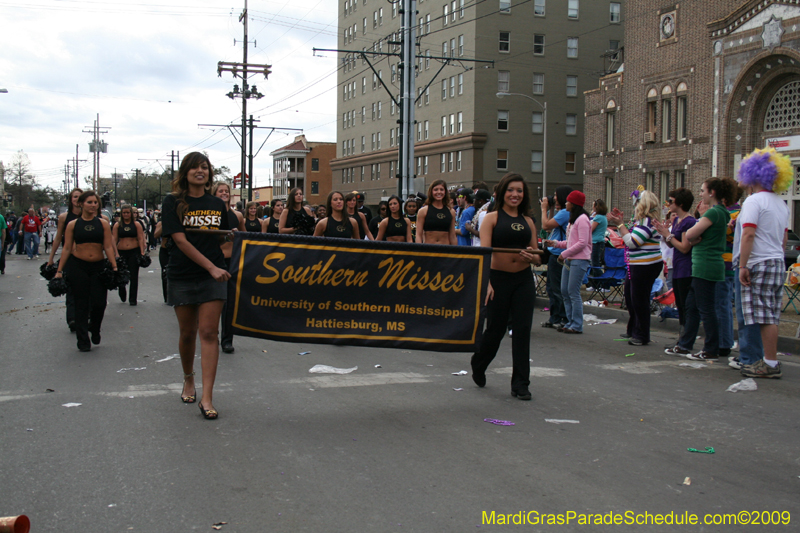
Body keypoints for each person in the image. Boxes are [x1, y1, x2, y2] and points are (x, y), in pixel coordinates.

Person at [161, 152, 232, 419]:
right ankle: (188, 378)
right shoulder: (173, 202)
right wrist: (211, 267)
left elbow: (223, 238)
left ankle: (207, 397)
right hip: (182, 274)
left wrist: (237, 246)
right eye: (194, 168)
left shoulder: (217, 203)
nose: (200, 171)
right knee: (188, 333)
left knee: (209, 333)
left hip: (213, 277)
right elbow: (180, 240)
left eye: (204, 167)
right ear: (185, 172)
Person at [470, 173, 541, 400]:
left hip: (523, 280)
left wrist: (532, 257)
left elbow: (537, 256)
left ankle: (521, 383)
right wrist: (487, 283)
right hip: (497, 280)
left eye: (519, 191)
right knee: (495, 331)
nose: (515, 194)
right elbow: (484, 254)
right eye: (511, 190)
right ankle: (479, 363)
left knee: (521, 331)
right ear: (502, 192)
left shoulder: (528, 221)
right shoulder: (490, 218)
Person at [735, 148, 793, 378]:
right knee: (770, 315)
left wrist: (743, 265)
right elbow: (784, 238)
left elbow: (748, 234)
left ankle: (765, 363)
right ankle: (770, 361)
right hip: (776, 261)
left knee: (757, 315)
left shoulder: (753, 201)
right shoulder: (781, 203)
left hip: (757, 262)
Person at [661, 179, 734, 359]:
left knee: (706, 308)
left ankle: (711, 349)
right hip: (702, 264)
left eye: (703, 191)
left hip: (706, 264)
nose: (700, 194)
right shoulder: (720, 213)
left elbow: (692, 234)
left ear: (712, 193)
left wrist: (700, 220)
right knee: (691, 307)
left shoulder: (715, 212)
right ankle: (685, 345)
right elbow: (693, 238)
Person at [54, 191, 118, 352]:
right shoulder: (73, 225)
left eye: (95, 202)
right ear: (81, 204)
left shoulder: (103, 223)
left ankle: (94, 328)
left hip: (98, 266)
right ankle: (83, 340)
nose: (93, 205)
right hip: (78, 266)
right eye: (89, 202)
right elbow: (67, 248)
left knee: (99, 303)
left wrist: (114, 265)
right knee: (81, 303)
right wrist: (59, 270)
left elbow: (108, 246)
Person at [606, 191, 664, 346]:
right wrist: (621, 222)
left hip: (646, 264)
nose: (634, 205)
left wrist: (619, 224)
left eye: (636, 202)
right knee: (631, 298)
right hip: (637, 264)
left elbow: (632, 242)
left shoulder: (648, 222)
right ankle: (633, 329)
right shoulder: (641, 222)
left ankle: (642, 334)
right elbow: (627, 233)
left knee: (640, 299)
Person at [544, 191, 592, 334]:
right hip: (570, 259)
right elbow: (571, 242)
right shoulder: (574, 219)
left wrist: (564, 254)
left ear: (574, 203)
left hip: (579, 260)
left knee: (573, 292)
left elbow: (582, 243)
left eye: (568, 201)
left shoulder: (583, 219)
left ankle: (577, 324)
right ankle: (570, 321)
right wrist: (555, 243)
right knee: (564, 291)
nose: (566, 203)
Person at [653, 188, 695, 340]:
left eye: (671, 201)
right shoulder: (677, 221)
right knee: (679, 303)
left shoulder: (689, 222)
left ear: (680, 203)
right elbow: (672, 245)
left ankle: (685, 338)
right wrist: (664, 233)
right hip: (676, 266)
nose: (668, 204)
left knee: (685, 304)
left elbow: (684, 247)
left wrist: (668, 235)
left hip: (686, 268)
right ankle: (682, 337)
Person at [213, 181, 244, 355]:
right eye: (220, 191)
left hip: (233, 262)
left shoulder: (237, 216)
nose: (224, 193)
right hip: (214, 261)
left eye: (226, 191)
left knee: (229, 303)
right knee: (214, 301)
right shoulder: (211, 216)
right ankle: (211, 334)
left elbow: (246, 237)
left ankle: (227, 340)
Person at [48, 189, 83, 330]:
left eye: (80, 197)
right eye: (75, 197)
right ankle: (72, 318)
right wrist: (51, 258)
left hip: (86, 257)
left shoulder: (90, 216)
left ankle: (85, 315)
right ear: (71, 199)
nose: (77, 199)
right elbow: (58, 238)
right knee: (71, 288)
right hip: (69, 257)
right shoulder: (64, 217)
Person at [539, 186, 573, 328]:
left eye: (555, 195)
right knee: (552, 288)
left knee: (556, 288)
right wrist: (551, 209)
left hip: (559, 254)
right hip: (556, 253)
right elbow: (549, 227)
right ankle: (555, 317)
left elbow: (545, 225)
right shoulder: (562, 212)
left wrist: (543, 208)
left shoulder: (565, 212)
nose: (554, 198)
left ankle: (560, 317)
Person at [113, 205, 146, 306]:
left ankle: (133, 299)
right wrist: (116, 254)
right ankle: (122, 291)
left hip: (134, 252)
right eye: (124, 213)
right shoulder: (117, 225)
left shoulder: (136, 224)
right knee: (121, 274)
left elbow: (141, 238)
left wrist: (142, 252)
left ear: (131, 214)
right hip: (122, 252)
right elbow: (113, 240)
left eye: (128, 212)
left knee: (134, 276)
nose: (126, 214)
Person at [417, 179, 457, 245]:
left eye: (441, 189)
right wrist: (419, 251)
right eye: (436, 190)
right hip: (429, 249)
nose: (439, 192)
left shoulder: (451, 211)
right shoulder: (423, 211)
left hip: (445, 249)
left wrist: (455, 253)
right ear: (431, 192)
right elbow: (418, 235)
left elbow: (452, 235)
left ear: (445, 192)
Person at [590, 199, 608, 276]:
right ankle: (596, 285)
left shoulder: (598, 218)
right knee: (595, 263)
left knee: (595, 264)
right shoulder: (603, 217)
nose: (592, 207)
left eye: (593, 205)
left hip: (595, 242)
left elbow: (590, 230)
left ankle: (604, 283)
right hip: (599, 242)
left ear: (597, 207)